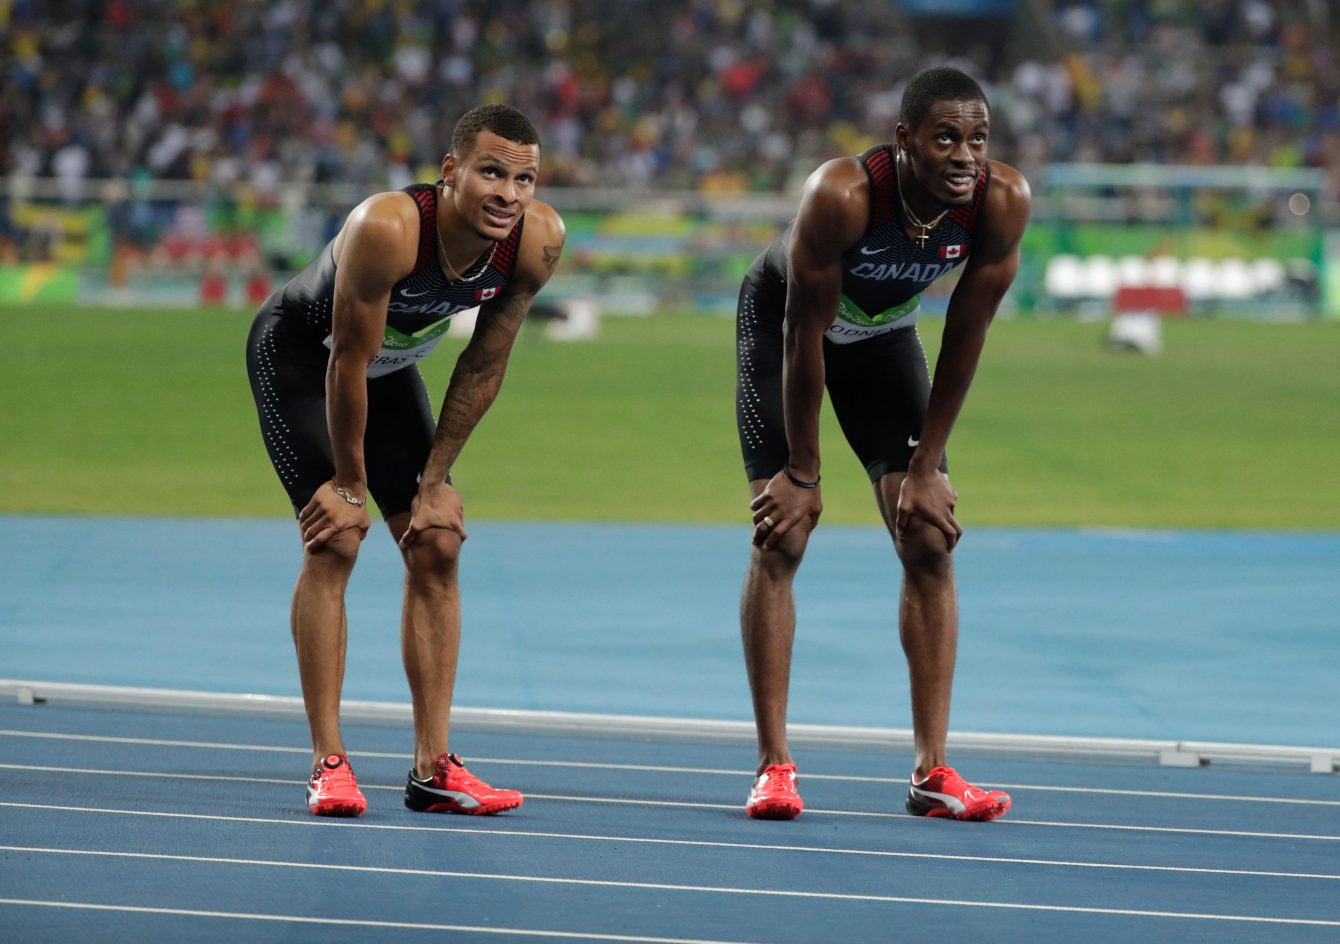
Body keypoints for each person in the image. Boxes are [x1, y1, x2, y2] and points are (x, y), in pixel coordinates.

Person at [245, 104, 565, 817]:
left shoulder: (537, 240)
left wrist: (432, 483)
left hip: (390, 371)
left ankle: (433, 768)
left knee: (437, 541)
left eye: (525, 179)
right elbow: (346, 364)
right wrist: (350, 486)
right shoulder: (388, 228)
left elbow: (484, 363)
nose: (509, 194)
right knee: (338, 539)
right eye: (491, 172)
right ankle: (330, 763)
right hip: (307, 360)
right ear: (450, 172)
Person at [735, 67, 1029, 821]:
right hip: (785, 326)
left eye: (977, 138)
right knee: (784, 536)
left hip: (884, 336)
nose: (965, 155)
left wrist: (926, 466)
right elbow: (806, 336)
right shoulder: (843, 195)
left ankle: (933, 772)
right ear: (904, 141)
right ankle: (775, 767)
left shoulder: (1000, 203)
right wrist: (802, 471)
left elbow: (967, 335)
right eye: (945, 138)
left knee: (929, 535)